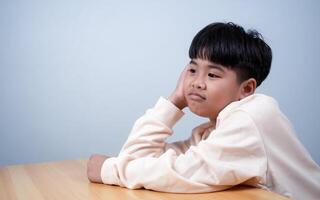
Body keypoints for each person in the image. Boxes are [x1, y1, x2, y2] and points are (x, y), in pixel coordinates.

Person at [87, 22, 320, 199]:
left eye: (212, 75)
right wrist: (175, 100)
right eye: (192, 69)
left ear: (247, 88)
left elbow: (182, 173)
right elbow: (142, 160)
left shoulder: (253, 114)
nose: (197, 82)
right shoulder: (209, 133)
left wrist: (110, 170)